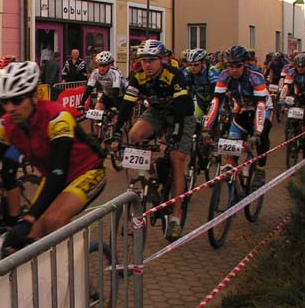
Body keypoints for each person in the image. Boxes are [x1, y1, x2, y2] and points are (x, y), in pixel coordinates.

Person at [0, 61, 106, 256]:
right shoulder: (6, 123)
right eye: (5, 101)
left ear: (34, 97)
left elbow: (59, 171)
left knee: (53, 221)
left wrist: (31, 217)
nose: (10, 108)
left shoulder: (57, 117)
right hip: (54, 175)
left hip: (87, 171)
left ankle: (74, 280)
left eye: (17, 100)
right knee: (29, 236)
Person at [112, 39, 195, 241]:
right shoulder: (138, 76)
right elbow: (127, 104)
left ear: (162, 59)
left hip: (181, 115)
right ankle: (154, 176)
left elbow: (182, 106)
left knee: (176, 160)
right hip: (157, 112)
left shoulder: (174, 75)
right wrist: (115, 134)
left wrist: (174, 136)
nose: (146, 65)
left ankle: (175, 217)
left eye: (151, 60)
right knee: (134, 135)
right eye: (143, 60)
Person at [204, 45, 272, 190]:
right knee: (231, 144)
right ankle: (233, 179)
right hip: (242, 109)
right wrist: (207, 127)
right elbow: (217, 101)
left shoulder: (256, 76)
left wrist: (257, 132)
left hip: (262, 108)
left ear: (245, 64)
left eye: (238, 66)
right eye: (230, 66)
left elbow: (260, 105)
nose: (234, 70)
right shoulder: (224, 76)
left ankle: (260, 169)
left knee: (263, 136)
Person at [183, 48, 219, 118]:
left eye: (196, 65)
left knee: (212, 123)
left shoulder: (211, 71)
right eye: (190, 64)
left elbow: (216, 91)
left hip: (213, 99)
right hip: (200, 100)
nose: (192, 67)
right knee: (196, 121)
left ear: (203, 63)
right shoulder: (187, 71)